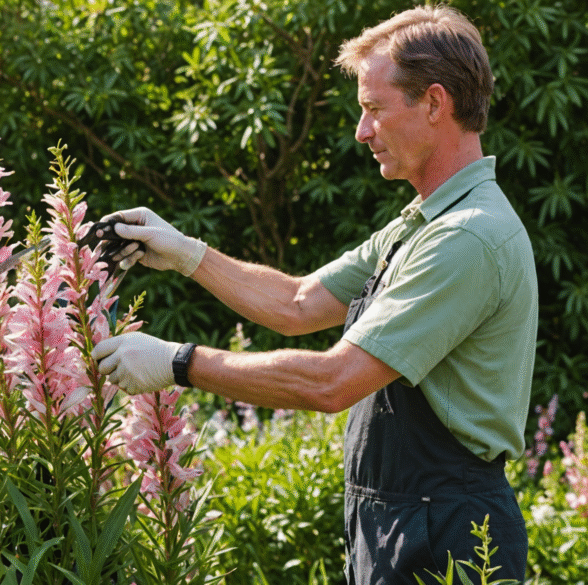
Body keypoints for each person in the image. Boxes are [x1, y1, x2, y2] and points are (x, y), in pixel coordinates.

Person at [92, 5, 536, 584]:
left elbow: (333, 382)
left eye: (374, 109)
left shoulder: (465, 238)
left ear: (433, 103)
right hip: (403, 518)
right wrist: (185, 253)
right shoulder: (422, 223)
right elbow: (298, 303)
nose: (362, 131)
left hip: (451, 534)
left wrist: (178, 362)